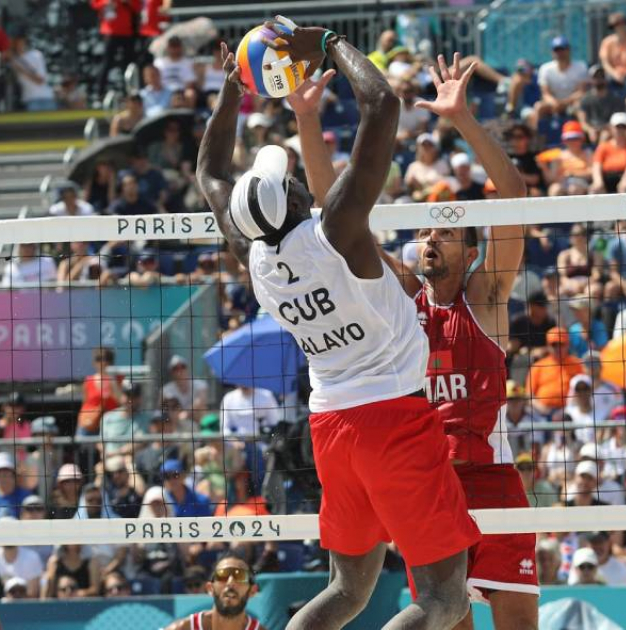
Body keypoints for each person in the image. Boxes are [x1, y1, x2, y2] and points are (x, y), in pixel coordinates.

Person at [197, 28, 477, 628]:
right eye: (292, 179)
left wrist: (232, 88)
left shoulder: (255, 256)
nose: (298, 180)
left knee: (346, 592)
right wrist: (327, 41)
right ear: (296, 201)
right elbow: (382, 103)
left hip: (330, 427)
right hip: (394, 420)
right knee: (445, 598)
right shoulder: (336, 234)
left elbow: (209, 171)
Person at [352, 47, 535, 626]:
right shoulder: (405, 303)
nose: (431, 237)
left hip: (493, 482)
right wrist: (308, 121)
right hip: (429, 492)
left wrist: (460, 119)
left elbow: (513, 200)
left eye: (447, 230)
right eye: (426, 230)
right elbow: (344, 222)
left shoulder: (485, 297)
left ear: (471, 252)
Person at [163, 555, 265, 630]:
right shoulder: (182, 628)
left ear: (252, 591)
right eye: (223, 576)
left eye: (240, 576)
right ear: (210, 588)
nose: (230, 583)